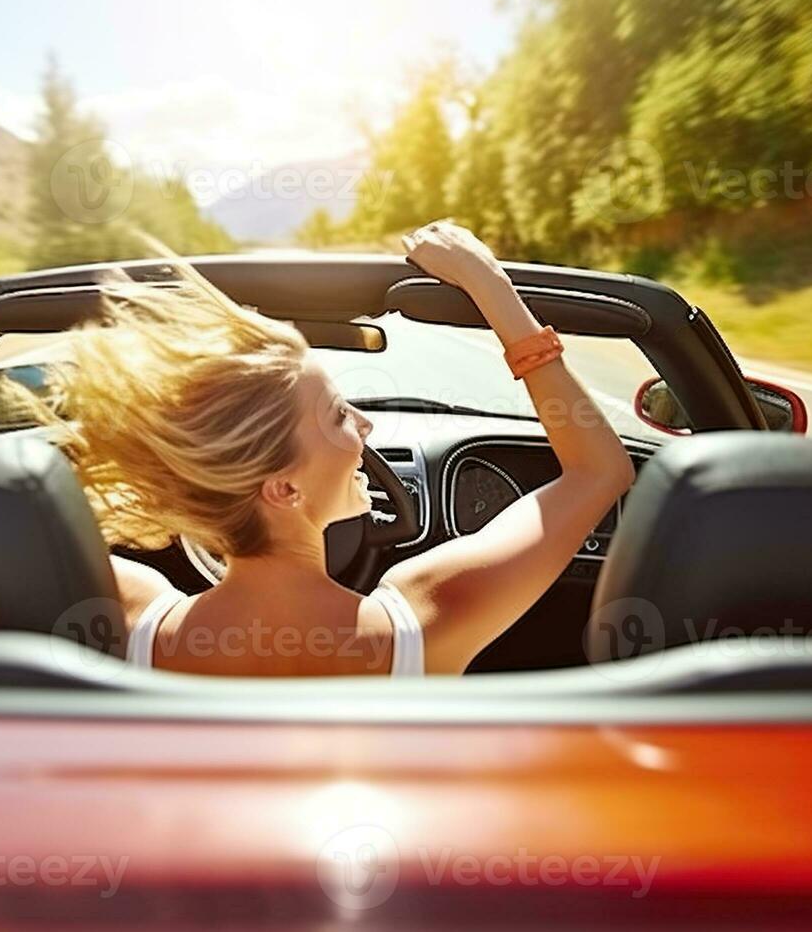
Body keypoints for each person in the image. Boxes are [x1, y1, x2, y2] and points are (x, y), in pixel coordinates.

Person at [40, 221, 635, 676]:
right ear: (283, 488)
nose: (365, 427)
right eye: (337, 416)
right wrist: (489, 284)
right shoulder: (426, 622)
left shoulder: (128, 616)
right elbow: (599, 471)